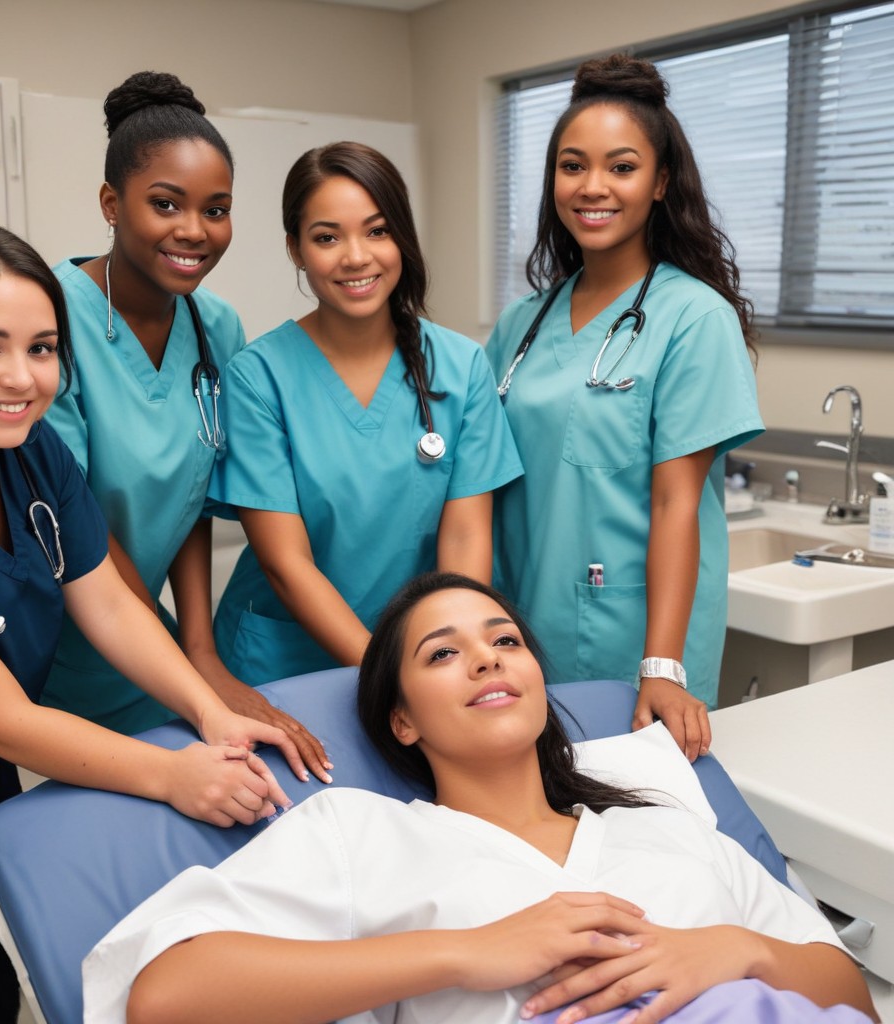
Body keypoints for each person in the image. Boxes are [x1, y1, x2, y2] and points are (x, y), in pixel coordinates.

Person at [83, 571, 876, 1024]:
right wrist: (470, 952)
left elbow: (854, 1000)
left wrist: (735, 953)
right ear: (399, 719)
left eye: (505, 642)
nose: (487, 662)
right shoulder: (359, 832)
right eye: (443, 654)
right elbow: (168, 996)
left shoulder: (667, 828)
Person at [0, 223, 308, 1024]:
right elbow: (6, 719)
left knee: (5, 983)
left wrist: (211, 708)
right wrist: (176, 774)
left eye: (42, 349)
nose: (22, 377)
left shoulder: (32, 456)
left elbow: (104, 600)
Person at [41, 71, 329, 779]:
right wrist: (187, 672)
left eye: (216, 209)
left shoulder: (215, 326)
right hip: (51, 652)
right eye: (165, 204)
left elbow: (194, 502)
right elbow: (74, 518)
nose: (194, 232)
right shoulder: (48, 313)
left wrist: (198, 649)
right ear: (111, 203)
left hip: (153, 649)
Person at [486, 54, 765, 761]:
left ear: (661, 181)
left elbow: (679, 502)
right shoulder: (522, 323)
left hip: (640, 643)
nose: (593, 188)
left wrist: (662, 667)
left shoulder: (694, 318)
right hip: (521, 630)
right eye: (572, 166)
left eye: (621, 166)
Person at [208, 141, 523, 685]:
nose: (356, 256)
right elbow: (287, 565)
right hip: (285, 662)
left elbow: (466, 541)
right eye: (327, 237)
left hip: (426, 656)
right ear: (296, 248)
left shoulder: (460, 365)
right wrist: (393, 680)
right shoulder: (258, 376)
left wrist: (448, 658)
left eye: (377, 231)